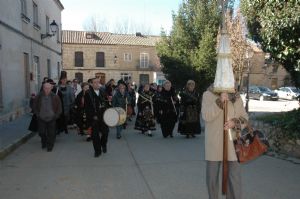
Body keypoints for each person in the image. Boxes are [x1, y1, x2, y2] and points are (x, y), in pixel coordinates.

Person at [201, 84, 249, 199]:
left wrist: (235, 122)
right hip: (215, 143)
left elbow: (245, 117)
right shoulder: (208, 94)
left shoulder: (236, 97)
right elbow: (206, 116)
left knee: (234, 179)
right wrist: (219, 101)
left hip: (233, 143)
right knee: (212, 179)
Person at [33, 82, 62, 152]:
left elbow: (59, 108)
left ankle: (50, 146)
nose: (47, 89)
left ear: (51, 88)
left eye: (48, 88)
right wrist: (37, 114)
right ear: (43, 88)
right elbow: (34, 106)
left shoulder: (55, 97)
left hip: (52, 118)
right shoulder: (39, 96)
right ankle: (44, 142)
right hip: (41, 118)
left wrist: (56, 116)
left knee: (51, 133)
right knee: (41, 132)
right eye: (45, 88)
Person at [84, 78, 110, 157]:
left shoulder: (102, 91)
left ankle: (103, 144)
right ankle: (97, 151)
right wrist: (92, 116)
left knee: (105, 133)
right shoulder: (88, 93)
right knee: (95, 136)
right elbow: (87, 107)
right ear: (91, 84)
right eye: (95, 83)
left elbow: (106, 103)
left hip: (103, 116)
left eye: (98, 82)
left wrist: (109, 103)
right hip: (94, 117)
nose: (97, 84)